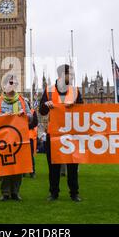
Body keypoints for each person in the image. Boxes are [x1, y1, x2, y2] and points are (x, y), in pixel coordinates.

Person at [39, 64, 83, 202]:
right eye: (70, 74)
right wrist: (47, 104)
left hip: (72, 133)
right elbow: (41, 110)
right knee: (53, 166)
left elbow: (83, 111)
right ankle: (53, 193)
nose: (72, 76)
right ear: (62, 75)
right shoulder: (49, 91)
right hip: (54, 134)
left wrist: (74, 106)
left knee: (72, 165)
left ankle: (74, 193)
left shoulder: (75, 91)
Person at [0, 74, 32, 201]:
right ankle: (5, 192)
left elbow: (31, 117)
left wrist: (24, 115)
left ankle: (15, 192)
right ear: (5, 85)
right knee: (5, 166)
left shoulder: (23, 101)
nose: (13, 85)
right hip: (3, 138)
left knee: (19, 166)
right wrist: (3, 116)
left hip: (19, 138)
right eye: (10, 82)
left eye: (15, 83)